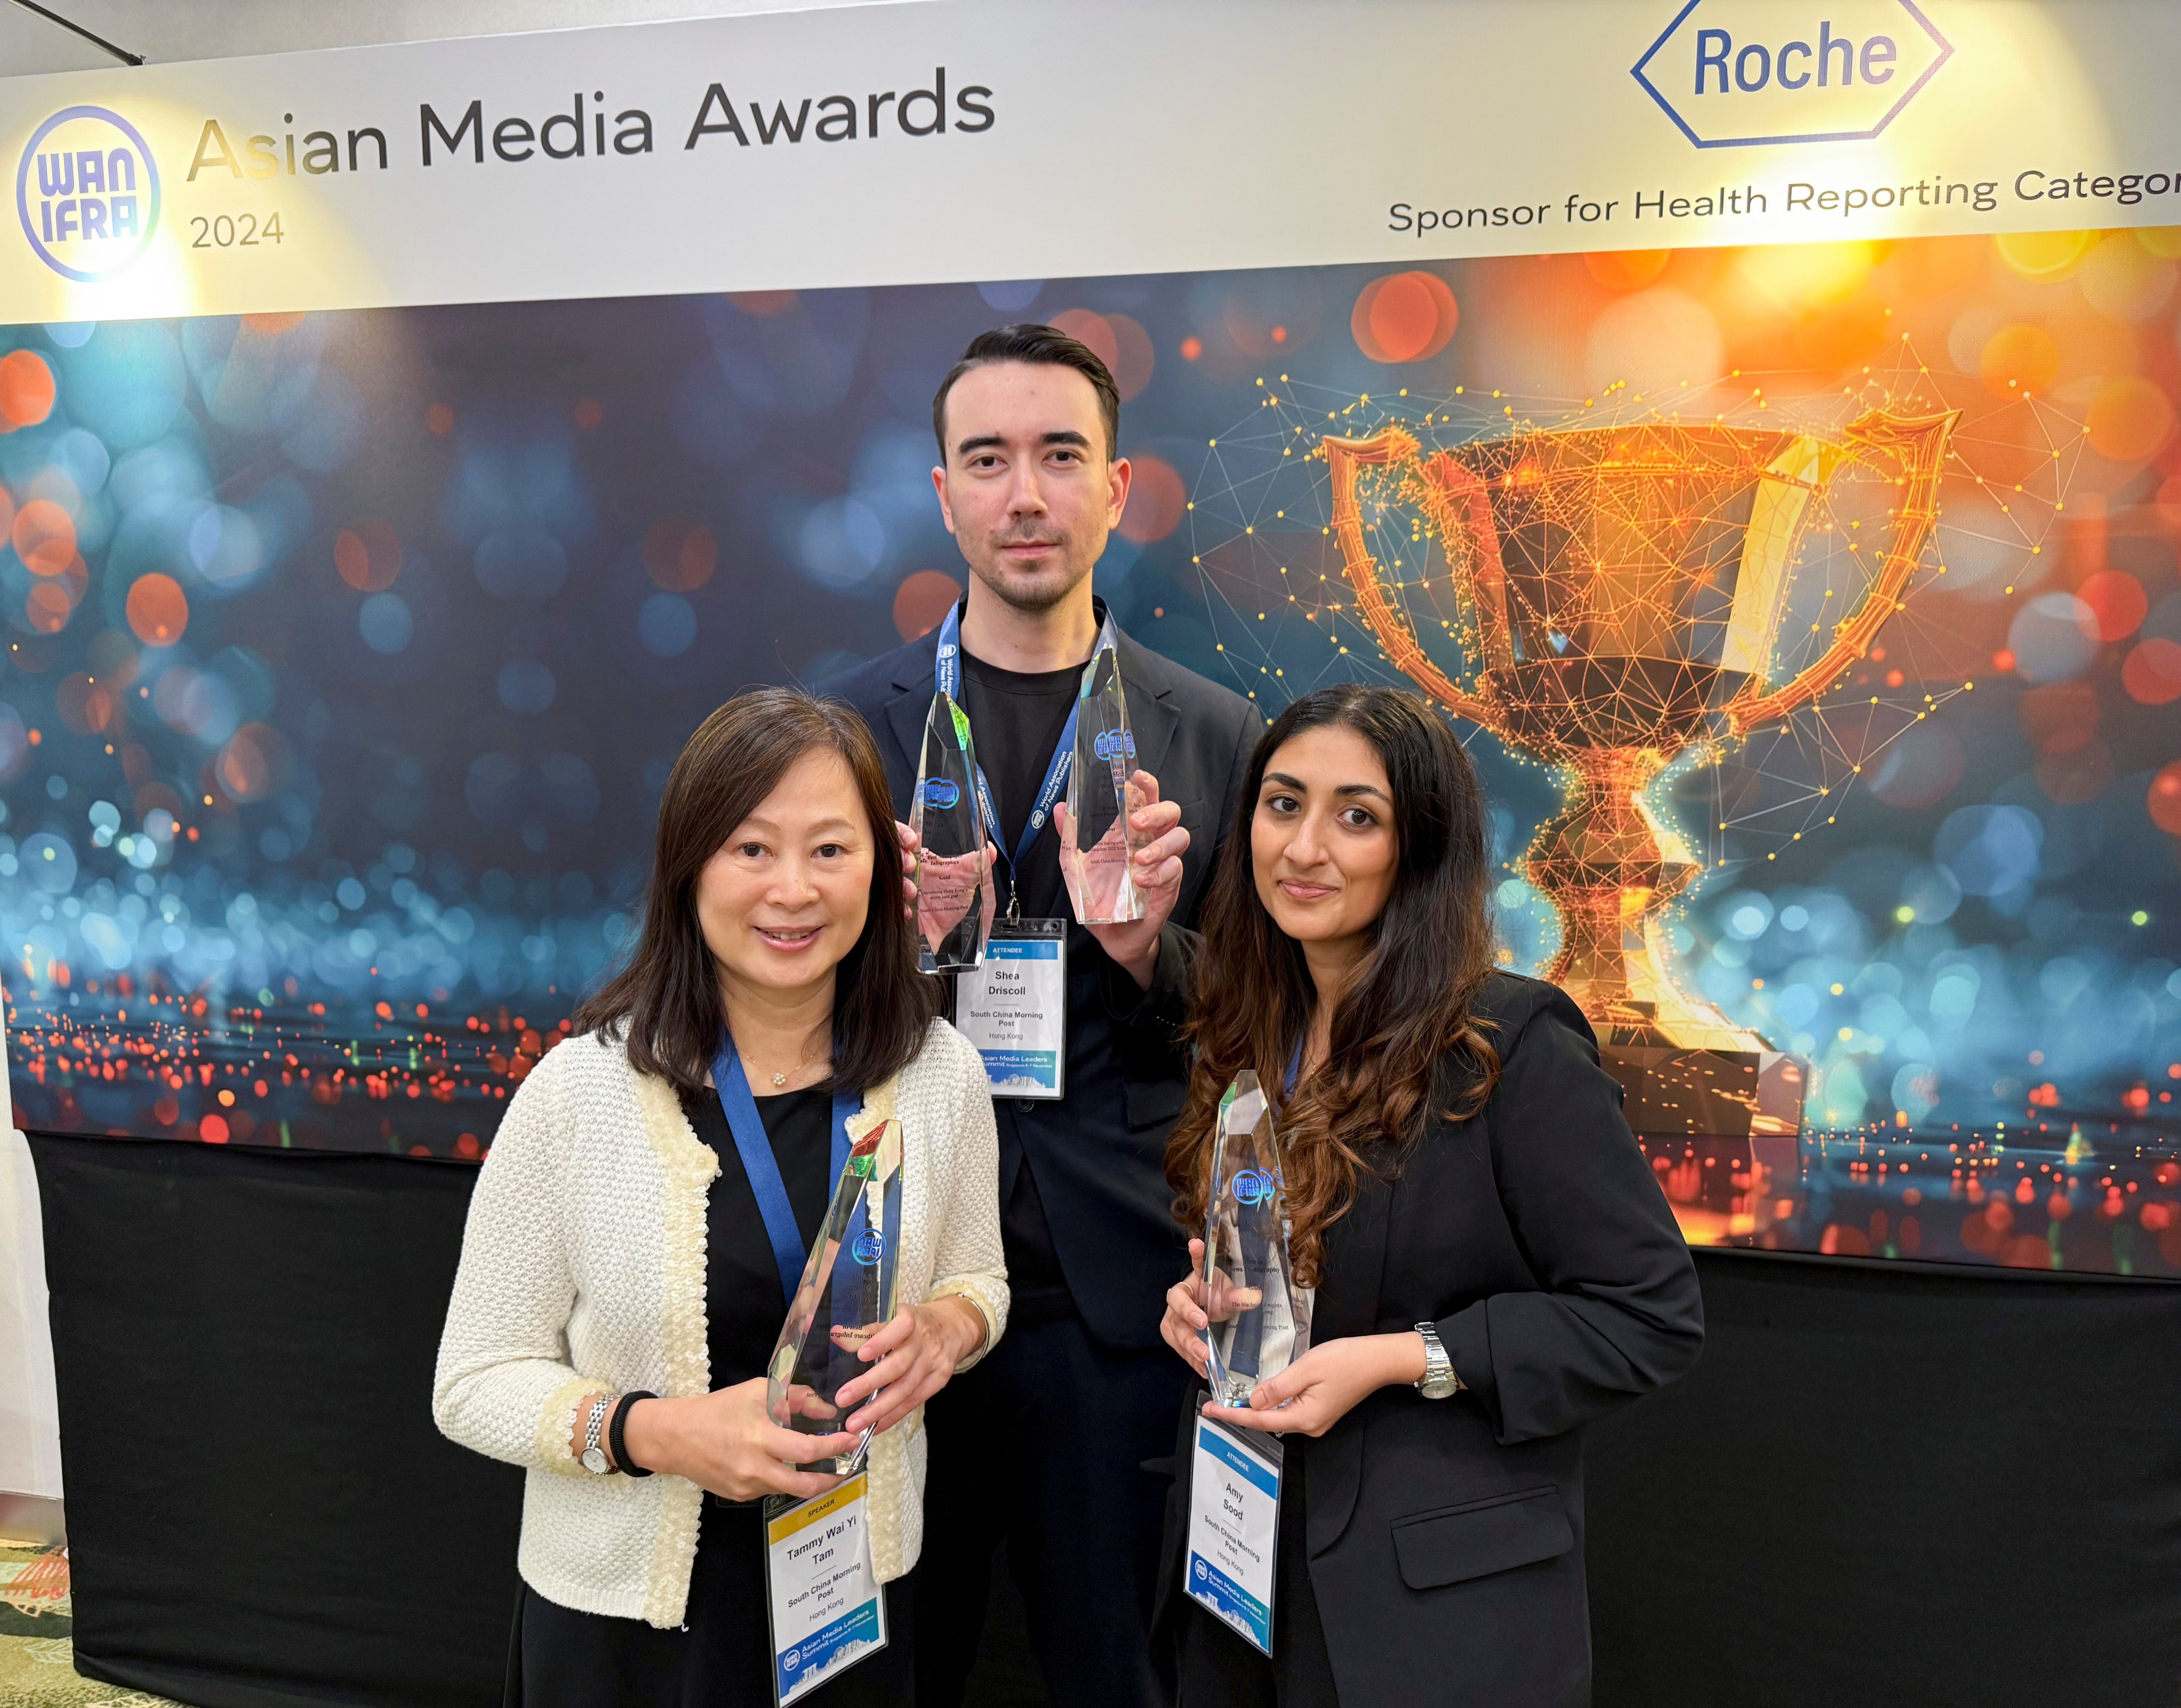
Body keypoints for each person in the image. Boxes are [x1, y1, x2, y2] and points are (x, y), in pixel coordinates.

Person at [822, 324, 1260, 1707]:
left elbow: (1266, 1028)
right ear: (943, 492)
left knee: (1115, 1676)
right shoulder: (844, 729)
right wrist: (905, 952)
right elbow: (772, 993)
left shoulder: (1217, 736)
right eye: (990, 459)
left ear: (1117, 487)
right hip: (890, 1294)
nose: (1026, 494)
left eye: (1060, 457)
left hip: (1115, 1299)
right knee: (881, 1674)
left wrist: (1142, 949)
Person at [432, 688, 1008, 1707]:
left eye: (831, 850)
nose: (793, 890)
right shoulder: (581, 1092)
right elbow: (472, 1381)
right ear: (689, 865)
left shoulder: (941, 1074)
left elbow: (980, 1277)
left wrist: (950, 1330)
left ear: (882, 868)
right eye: (752, 849)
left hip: (852, 1601)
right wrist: (659, 1433)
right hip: (627, 1633)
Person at [1154, 684, 1705, 1706]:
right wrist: (1203, 1308)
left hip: (1432, 1618)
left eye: (1356, 817)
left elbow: (1649, 1318)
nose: (1306, 848)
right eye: (1284, 804)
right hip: (1239, 1573)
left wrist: (1406, 1359)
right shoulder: (1243, 1028)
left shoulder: (1508, 1047)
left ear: (1421, 847)